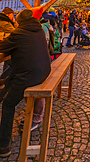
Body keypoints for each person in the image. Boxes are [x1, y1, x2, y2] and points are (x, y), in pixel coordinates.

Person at [0, 9, 51, 158]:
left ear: (19, 22)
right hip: (43, 71)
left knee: (8, 104)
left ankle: (3, 146)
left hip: (29, 75)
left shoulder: (19, 33)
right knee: (10, 81)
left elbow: (2, 47)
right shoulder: (39, 30)